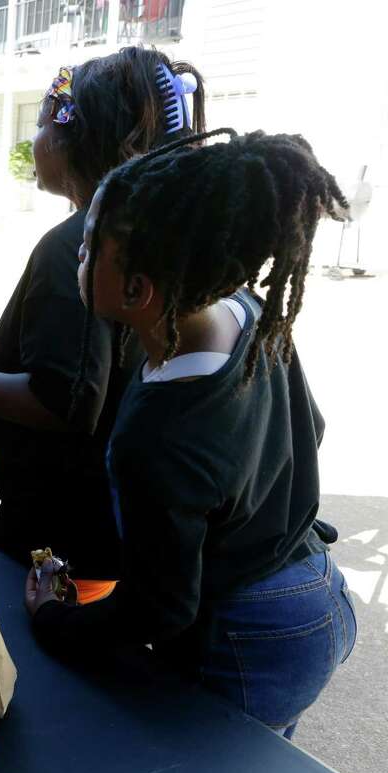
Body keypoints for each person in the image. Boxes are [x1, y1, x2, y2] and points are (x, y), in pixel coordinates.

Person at [26, 130, 357, 738]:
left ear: (137, 291)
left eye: (89, 245)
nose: (78, 251)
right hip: (320, 592)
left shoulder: (157, 432)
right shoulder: (249, 312)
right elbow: (312, 426)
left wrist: (53, 618)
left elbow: (162, 609)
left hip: (252, 635)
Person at [0, 47, 205, 594]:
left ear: (70, 138)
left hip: (60, 537)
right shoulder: (157, 234)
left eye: (37, 125)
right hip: (107, 528)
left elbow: (67, 399)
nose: (31, 143)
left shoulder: (79, 246)